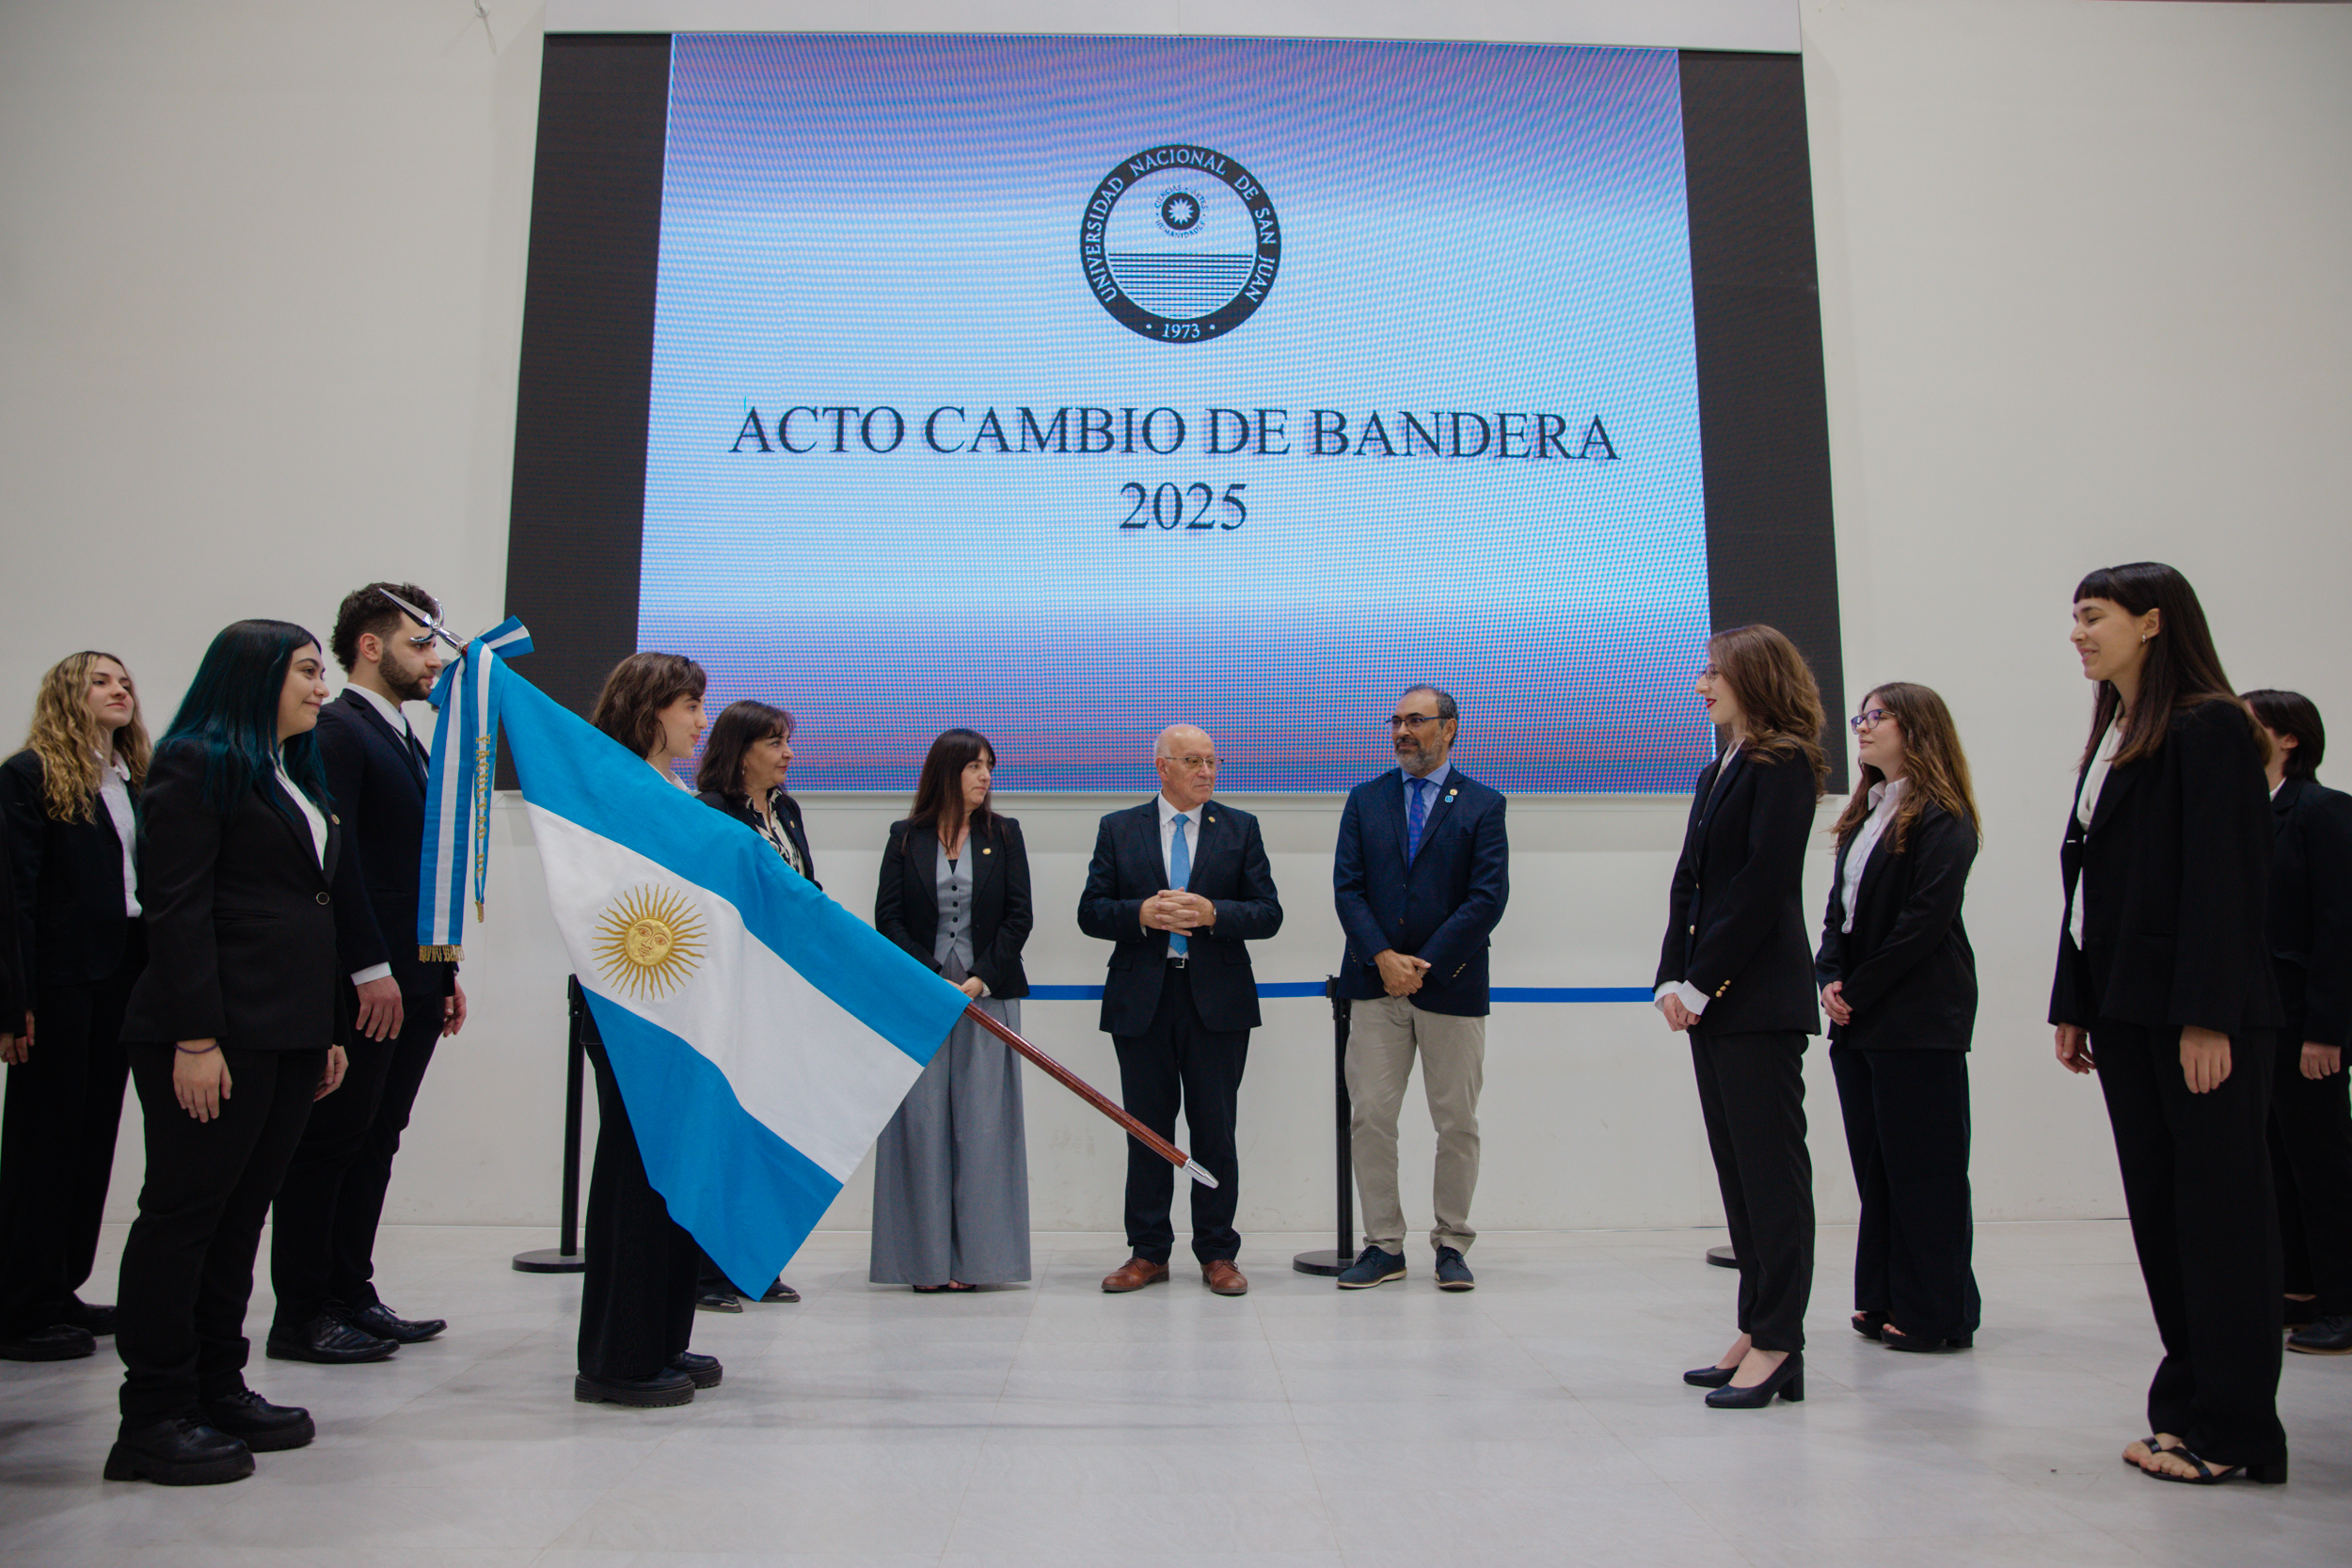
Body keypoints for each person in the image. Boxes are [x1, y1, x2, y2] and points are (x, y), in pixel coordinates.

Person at [108, 621, 359, 1484]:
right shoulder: (192, 761)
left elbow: (311, 905)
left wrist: (324, 1026)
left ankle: (220, 1383)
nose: (320, 689)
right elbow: (176, 910)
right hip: (211, 1032)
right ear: (252, 677)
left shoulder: (292, 771)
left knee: (242, 1215)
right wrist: (197, 1036)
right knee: (185, 1217)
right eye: (305, 672)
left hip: (286, 1032)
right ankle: (154, 1412)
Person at [2051, 562, 2286, 1486]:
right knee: (2163, 1218)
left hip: (2198, 1020)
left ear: (2152, 622)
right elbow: (2089, 887)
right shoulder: (2115, 728)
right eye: (2072, 617)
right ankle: (2185, 1407)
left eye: (2091, 615)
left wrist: (2206, 1017)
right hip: (2126, 1012)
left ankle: (2236, 1430)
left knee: (2220, 1221)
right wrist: (2074, 1002)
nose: (2076, 632)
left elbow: (2227, 883)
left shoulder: (2210, 725)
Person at [265, 584, 467, 1365]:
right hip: (369, 979)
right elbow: (337, 864)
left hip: (415, 974)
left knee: (377, 1137)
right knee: (330, 1141)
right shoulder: (340, 730)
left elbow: (419, 865)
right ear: (372, 647)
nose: (434, 659)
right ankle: (302, 1311)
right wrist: (369, 966)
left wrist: (443, 968)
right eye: (421, 643)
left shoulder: (406, 737)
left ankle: (352, 1290)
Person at [1657, 625, 1827, 1410]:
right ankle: (1757, 1326)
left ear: (1752, 676)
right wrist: (1671, 975)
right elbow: (1690, 883)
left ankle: (1782, 1338)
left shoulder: (1785, 763)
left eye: (1713, 672)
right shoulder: (1717, 768)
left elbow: (1762, 887)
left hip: (1756, 1000)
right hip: (1715, 998)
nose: (1702, 686)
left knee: (1772, 1176)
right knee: (1739, 1174)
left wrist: (1705, 981)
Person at [1078, 724, 1281, 1296]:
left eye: (1213, 761)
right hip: (1143, 1000)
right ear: (1161, 767)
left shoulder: (1241, 828)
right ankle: (1148, 1253)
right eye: (1193, 761)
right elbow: (1091, 912)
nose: (1207, 772)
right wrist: (1139, 913)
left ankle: (1218, 1252)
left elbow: (1268, 913)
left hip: (1218, 1002)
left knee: (1215, 1130)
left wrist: (1214, 913)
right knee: (1146, 1130)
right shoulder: (1119, 829)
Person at [1816, 683, 1982, 1354]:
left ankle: (1937, 1309)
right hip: (1860, 1016)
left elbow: (1923, 922)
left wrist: (1861, 986)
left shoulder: (1945, 816)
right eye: (1860, 715)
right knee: (1878, 1166)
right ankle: (1884, 1295)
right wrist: (1828, 973)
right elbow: (1839, 910)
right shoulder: (1864, 816)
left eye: (1876, 716)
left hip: (1916, 1014)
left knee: (1927, 1169)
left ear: (1917, 728)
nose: (1862, 726)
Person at [573, 652, 718, 1407]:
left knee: (670, 1175)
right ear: (651, 707)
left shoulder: (669, 785)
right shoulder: (615, 787)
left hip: (676, 1004)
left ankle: (663, 1336)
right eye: (691, 705)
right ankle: (617, 1357)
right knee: (635, 1175)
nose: (701, 720)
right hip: (632, 1005)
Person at [1331, 685, 1509, 1291]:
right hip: (1375, 984)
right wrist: (1384, 957)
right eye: (1396, 721)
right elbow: (1348, 889)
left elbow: (1487, 899)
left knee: (1455, 1120)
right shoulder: (1365, 800)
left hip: (1452, 987)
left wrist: (1422, 965)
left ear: (1450, 729)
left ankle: (1452, 1243)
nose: (1402, 731)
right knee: (1372, 1117)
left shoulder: (1483, 804)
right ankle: (1383, 1246)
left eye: (1416, 720)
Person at [0, 651, 149, 1362]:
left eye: (124, 681)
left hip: (119, 974)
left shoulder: (130, 780)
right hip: (57, 983)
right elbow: (13, 897)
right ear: (68, 694)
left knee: (93, 1137)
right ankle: (19, 1304)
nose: (119, 689)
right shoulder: (28, 776)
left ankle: (60, 1286)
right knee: (43, 1141)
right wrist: (13, 999)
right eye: (101, 680)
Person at [870, 728, 1033, 1291]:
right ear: (946, 771)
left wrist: (982, 975)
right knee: (919, 1126)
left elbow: (1019, 917)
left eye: (991, 765)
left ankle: (979, 1262)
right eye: (975, 766)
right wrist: (928, 978)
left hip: (987, 998)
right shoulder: (904, 836)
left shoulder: (1005, 834)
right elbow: (886, 919)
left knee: (984, 1128)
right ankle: (924, 1262)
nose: (986, 776)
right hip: (919, 1000)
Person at [2240, 689, 2352, 1356]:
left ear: (2287, 738)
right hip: (2262, 1020)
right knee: (2276, 1159)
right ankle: (2302, 1286)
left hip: (2309, 1021)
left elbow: (2341, 929)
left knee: (2324, 1165)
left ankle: (2343, 1298)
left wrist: (2327, 1031)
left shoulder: (2324, 811)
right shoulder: (2249, 813)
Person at [690, 698, 808, 1309]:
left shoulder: (786, 810)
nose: (789, 753)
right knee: (724, 1133)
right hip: (731, 996)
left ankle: (757, 1260)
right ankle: (708, 1269)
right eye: (777, 743)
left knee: (768, 1132)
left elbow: (804, 890)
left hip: (779, 997)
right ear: (742, 751)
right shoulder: (711, 813)